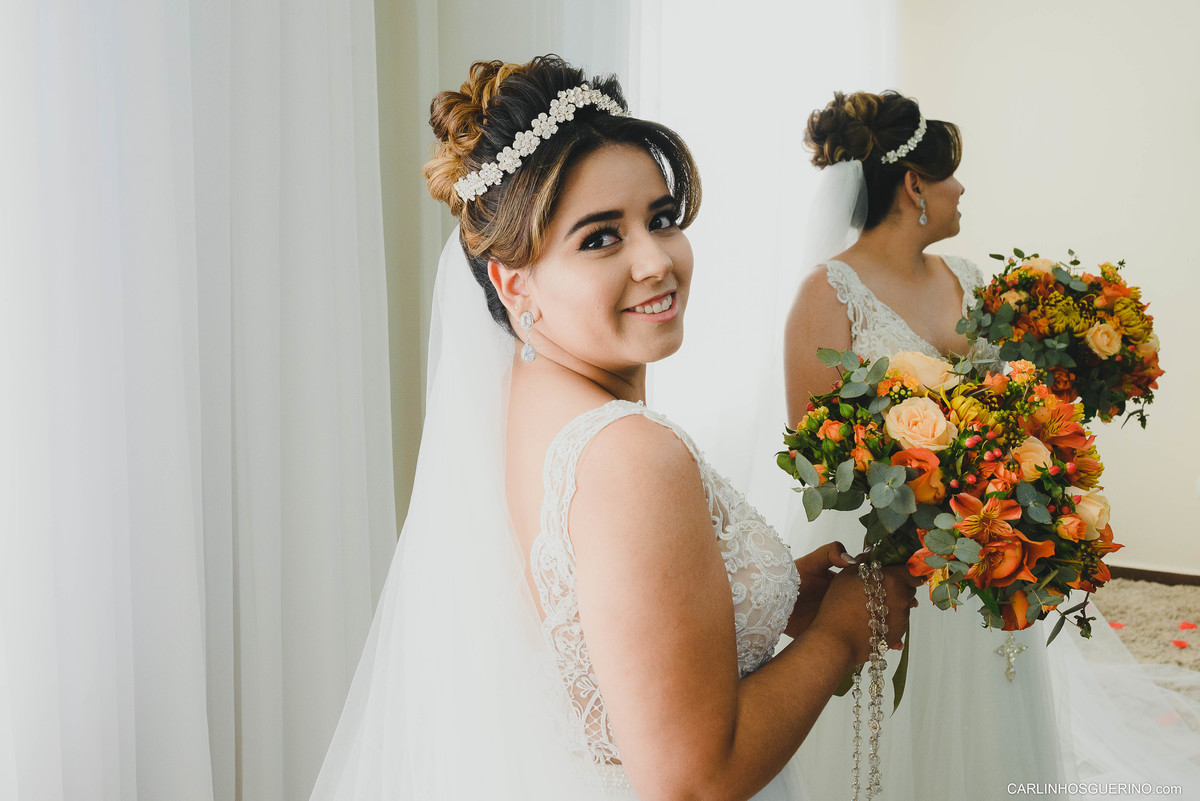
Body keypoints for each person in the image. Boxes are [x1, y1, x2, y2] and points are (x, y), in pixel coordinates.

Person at [309, 57, 919, 801]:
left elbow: (591, 631)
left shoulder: (515, 412)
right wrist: (842, 631)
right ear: (514, 284)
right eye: (601, 238)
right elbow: (693, 783)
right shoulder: (628, 453)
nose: (656, 261)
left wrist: (768, 597)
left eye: (661, 220)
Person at [782, 90, 1068, 800]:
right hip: (888, 555)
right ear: (915, 184)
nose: (961, 188)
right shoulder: (829, 292)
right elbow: (815, 458)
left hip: (985, 539)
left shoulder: (968, 278)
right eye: (950, 174)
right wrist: (921, 483)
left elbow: (1013, 404)